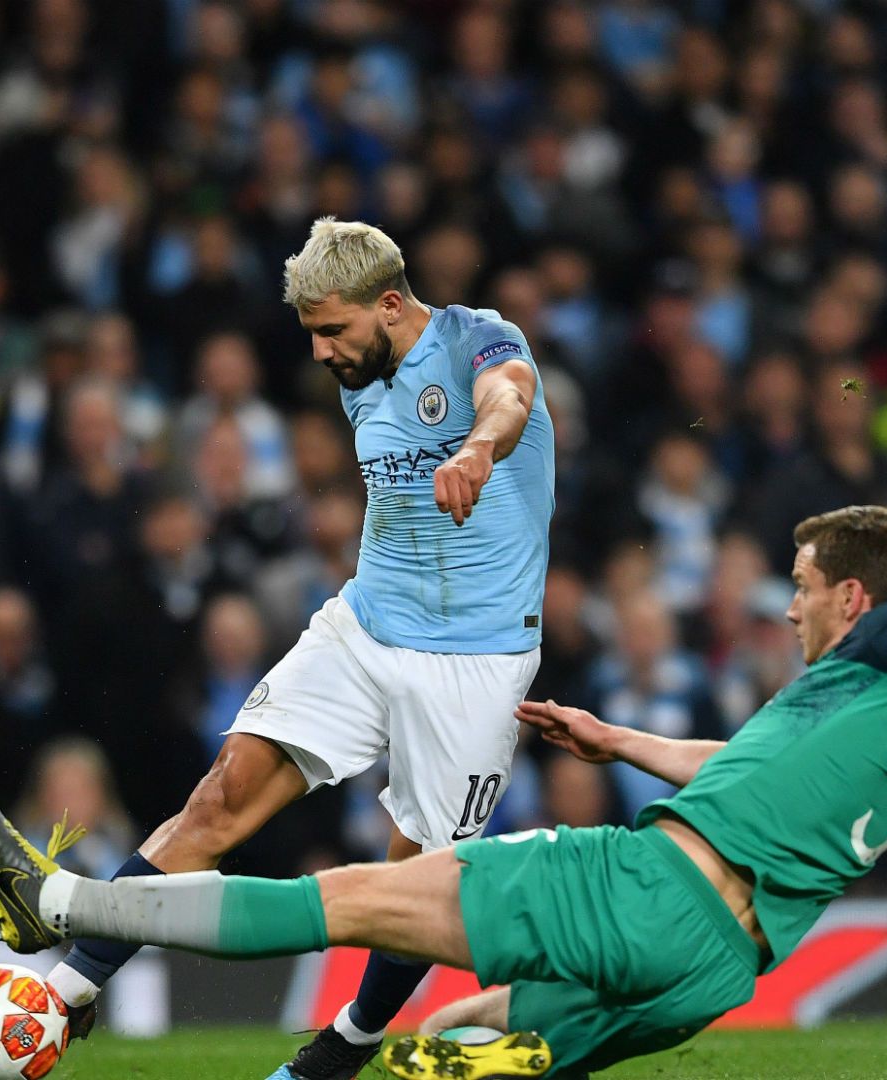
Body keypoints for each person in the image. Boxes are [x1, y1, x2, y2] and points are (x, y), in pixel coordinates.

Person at [0, 501, 887, 1079]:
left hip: (638, 892)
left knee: (355, 895)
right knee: (460, 1055)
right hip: (708, 972)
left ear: (856, 596)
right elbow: (739, 776)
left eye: (804, 584)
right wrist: (616, 740)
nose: (793, 603)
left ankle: (67, 907)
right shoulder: (879, 730)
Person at [34, 217, 554, 1080]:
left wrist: (477, 446)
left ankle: (346, 1045)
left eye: (331, 330)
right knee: (221, 796)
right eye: (308, 333)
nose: (317, 353)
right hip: (365, 624)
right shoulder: (357, 374)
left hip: (478, 656)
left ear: (391, 304)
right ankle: (66, 991)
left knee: (415, 884)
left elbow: (511, 392)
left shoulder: (477, 337)